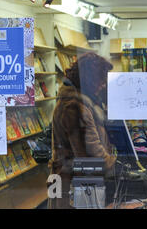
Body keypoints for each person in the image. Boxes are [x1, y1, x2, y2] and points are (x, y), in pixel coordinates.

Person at [48, 52, 116, 209]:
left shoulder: (78, 102)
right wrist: (114, 165)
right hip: (75, 184)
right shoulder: (75, 106)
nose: (104, 84)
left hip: (74, 182)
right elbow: (90, 153)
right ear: (89, 78)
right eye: (101, 79)